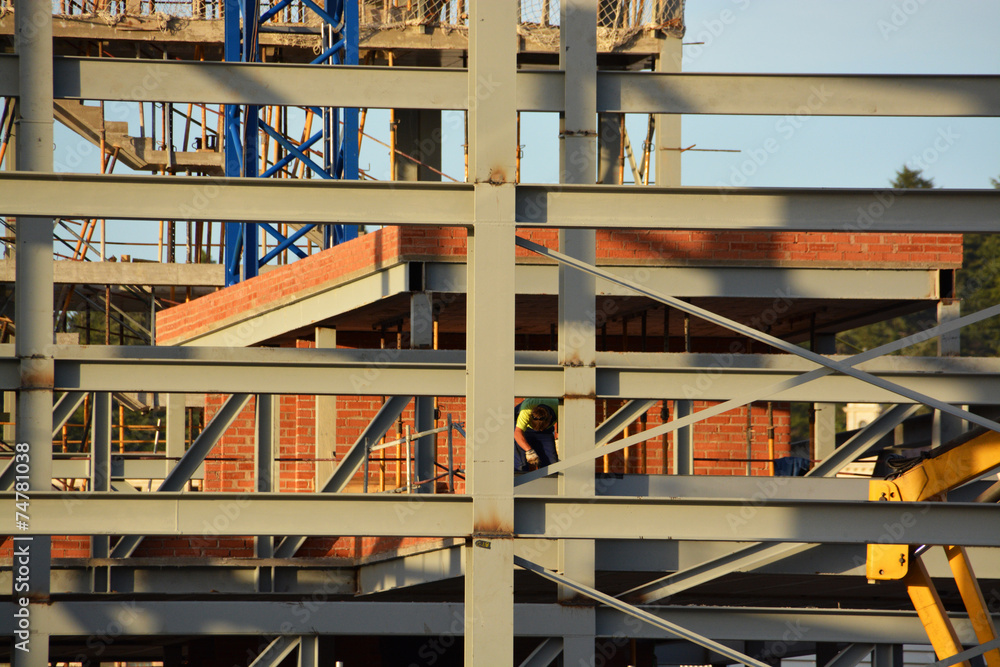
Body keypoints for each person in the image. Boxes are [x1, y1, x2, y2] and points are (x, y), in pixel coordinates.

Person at [514, 398, 559, 472]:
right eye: (537, 428)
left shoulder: (559, 407)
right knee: (520, 465)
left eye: (541, 427)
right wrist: (529, 451)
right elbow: (517, 432)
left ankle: (549, 481)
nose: (539, 430)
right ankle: (521, 479)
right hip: (523, 429)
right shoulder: (526, 410)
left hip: (546, 432)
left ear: (551, 418)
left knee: (551, 465)